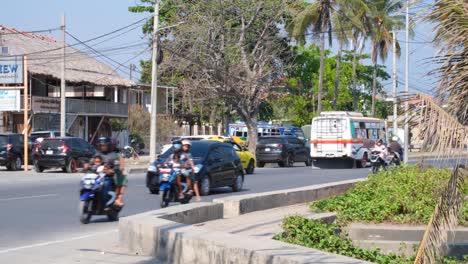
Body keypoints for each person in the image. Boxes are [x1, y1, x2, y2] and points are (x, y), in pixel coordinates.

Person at [95, 136, 127, 207]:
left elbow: (118, 165)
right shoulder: (97, 153)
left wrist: (113, 169)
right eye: (101, 145)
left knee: (120, 179)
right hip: (98, 175)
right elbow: (93, 161)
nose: (103, 147)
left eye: (104, 145)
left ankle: (117, 199)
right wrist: (86, 165)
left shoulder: (114, 155)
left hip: (109, 176)